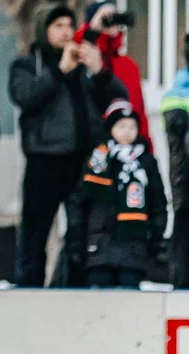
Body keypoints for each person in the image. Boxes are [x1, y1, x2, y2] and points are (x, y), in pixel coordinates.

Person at [9, 2, 126, 288]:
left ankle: (74, 298)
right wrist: (59, 70)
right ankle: (28, 296)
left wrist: (99, 71)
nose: (65, 32)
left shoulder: (84, 65)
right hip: (44, 161)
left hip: (84, 163)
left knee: (79, 239)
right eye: (57, 26)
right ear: (43, 30)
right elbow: (24, 96)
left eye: (69, 25)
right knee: (34, 239)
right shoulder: (27, 64)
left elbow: (120, 100)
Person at [68, 100, 166, 288]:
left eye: (132, 127)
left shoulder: (146, 162)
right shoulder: (97, 162)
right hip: (98, 248)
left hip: (133, 249)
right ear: (110, 128)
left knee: (128, 301)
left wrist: (157, 240)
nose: (127, 132)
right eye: (121, 126)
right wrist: (76, 241)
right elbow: (78, 202)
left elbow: (158, 204)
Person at [75, 2, 149, 151]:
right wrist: (92, 30)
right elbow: (76, 51)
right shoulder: (79, 59)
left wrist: (146, 149)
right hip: (88, 148)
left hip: (125, 150)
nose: (111, 23)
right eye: (106, 18)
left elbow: (138, 110)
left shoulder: (128, 66)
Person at [162, 32, 189, 288]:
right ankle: (183, 285)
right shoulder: (180, 91)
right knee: (186, 232)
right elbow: (181, 134)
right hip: (187, 178)